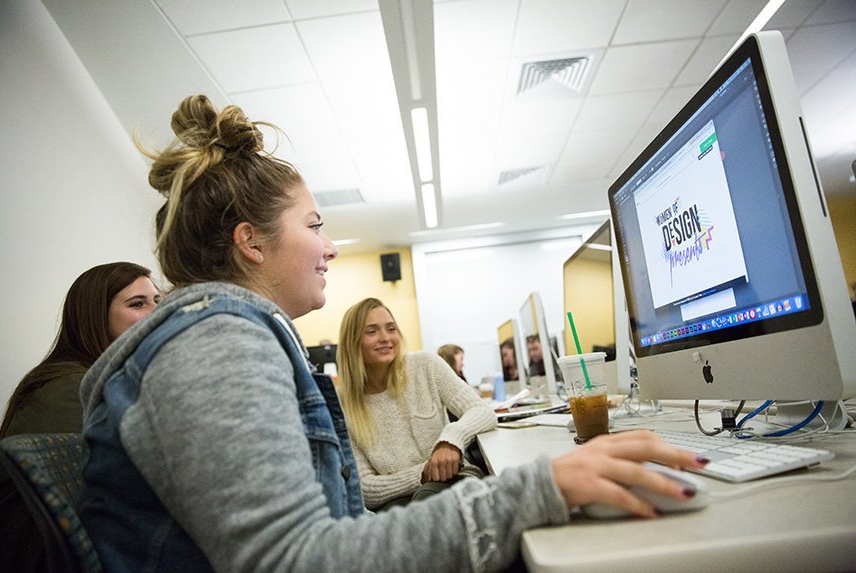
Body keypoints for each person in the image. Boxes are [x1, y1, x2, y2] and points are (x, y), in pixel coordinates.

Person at [77, 95, 707, 572]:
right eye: (315, 225)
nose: (328, 247)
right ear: (251, 243)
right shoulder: (215, 342)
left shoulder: (225, 335)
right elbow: (299, 561)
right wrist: (538, 488)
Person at [0, 261, 158, 573]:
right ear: (96, 318)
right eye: (138, 304)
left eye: (158, 301)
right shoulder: (66, 388)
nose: (156, 313)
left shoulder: (111, 382)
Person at [338, 303, 494, 510]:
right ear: (352, 342)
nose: (385, 337)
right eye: (371, 331)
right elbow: (365, 489)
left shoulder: (425, 365)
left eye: (391, 328)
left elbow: (483, 411)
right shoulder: (342, 402)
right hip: (395, 501)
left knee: (425, 506)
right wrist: (425, 471)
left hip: (451, 483)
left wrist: (450, 441)